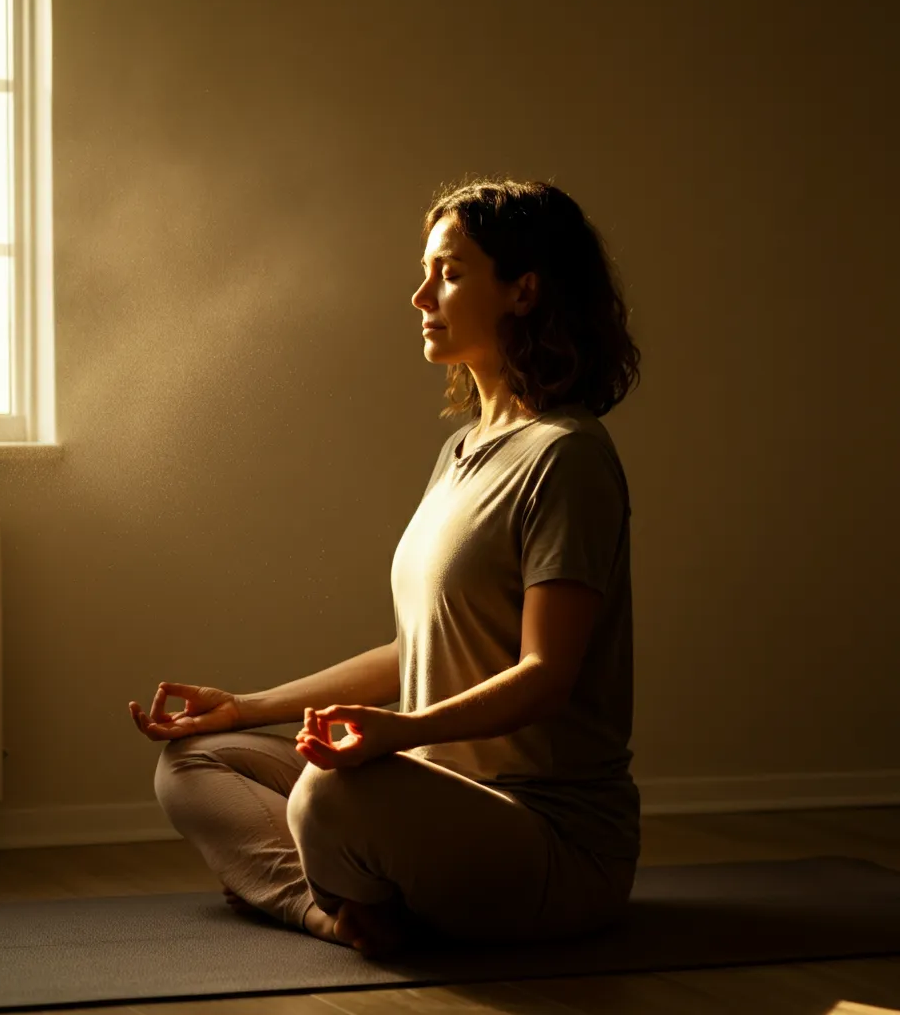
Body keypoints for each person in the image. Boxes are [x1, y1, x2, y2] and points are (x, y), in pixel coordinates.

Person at [128, 177, 643, 960]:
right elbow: (422, 652)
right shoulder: (461, 452)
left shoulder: (566, 458)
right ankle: (329, 909)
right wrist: (245, 706)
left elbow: (546, 674)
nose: (419, 295)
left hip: (551, 840)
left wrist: (398, 733)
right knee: (193, 762)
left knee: (331, 794)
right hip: (434, 803)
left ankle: (316, 888)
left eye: (450, 271)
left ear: (524, 290)